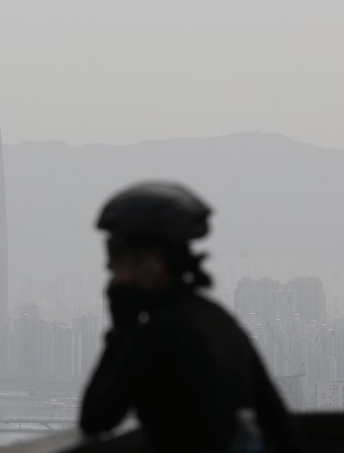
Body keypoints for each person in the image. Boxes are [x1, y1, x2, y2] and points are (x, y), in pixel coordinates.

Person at [76, 181, 309, 453]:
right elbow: (277, 421)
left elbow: (96, 418)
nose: (109, 265)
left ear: (154, 261)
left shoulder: (161, 333)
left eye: (115, 252)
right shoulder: (218, 319)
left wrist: (121, 330)